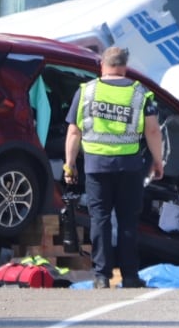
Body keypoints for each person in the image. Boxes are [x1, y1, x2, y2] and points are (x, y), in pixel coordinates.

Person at [63, 47, 164, 289]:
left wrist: (69, 166)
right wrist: (158, 161)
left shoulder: (86, 91)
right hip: (129, 167)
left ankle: (101, 276)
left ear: (102, 65)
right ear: (125, 67)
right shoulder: (140, 93)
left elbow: (74, 132)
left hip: (96, 166)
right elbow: (152, 130)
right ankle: (130, 276)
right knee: (128, 220)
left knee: (100, 219)